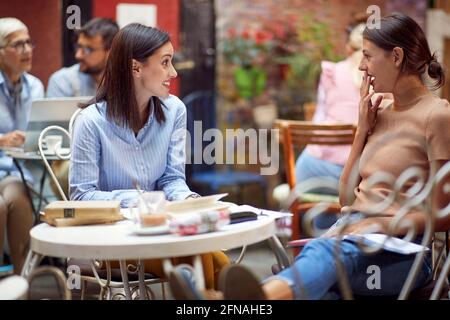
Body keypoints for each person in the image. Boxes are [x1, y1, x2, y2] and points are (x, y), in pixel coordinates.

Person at [169, 13, 450, 299]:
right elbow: (346, 199)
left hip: (401, 255)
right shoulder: (379, 113)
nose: (362, 66)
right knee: (321, 291)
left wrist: (379, 224)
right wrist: (362, 130)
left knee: (322, 255)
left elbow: (442, 216)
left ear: (397, 56)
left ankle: (238, 300)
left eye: (367, 56)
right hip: (352, 239)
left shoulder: (437, 115)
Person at [69, 23, 229, 289]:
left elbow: (172, 179)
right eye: (165, 63)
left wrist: (190, 202)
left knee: (209, 256)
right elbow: (82, 196)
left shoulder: (174, 110)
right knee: (205, 258)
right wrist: (145, 202)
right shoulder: (90, 121)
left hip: (163, 231)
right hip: (115, 240)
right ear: (135, 68)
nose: (174, 72)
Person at [0, 18, 44, 274]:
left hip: (18, 171)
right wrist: (3, 140)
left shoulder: (35, 86)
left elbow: (39, 132)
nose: (27, 50)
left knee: (19, 199)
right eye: (18, 44)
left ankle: (22, 280)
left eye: (29, 42)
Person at [47, 18, 119, 97]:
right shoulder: (62, 80)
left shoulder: (127, 83)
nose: (78, 55)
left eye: (88, 50)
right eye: (78, 46)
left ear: (110, 52)